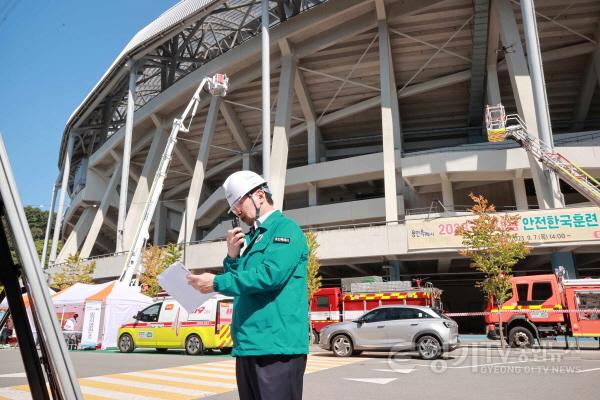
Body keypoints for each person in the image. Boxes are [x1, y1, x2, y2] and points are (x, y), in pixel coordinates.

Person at [187, 170, 309, 400]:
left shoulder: (286, 229)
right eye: (233, 208)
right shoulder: (254, 237)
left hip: (276, 346)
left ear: (260, 195)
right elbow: (242, 286)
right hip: (250, 344)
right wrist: (232, 257)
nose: (237, 212)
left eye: (238, 203)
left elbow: (269, 276)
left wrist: (215, 282)